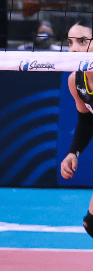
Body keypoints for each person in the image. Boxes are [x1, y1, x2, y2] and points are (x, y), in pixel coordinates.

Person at [59, 21, 93, 237]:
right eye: (70, 42)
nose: (74, 49)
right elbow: (87, 121)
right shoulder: (75, 80)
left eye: (82, 42)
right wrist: (73, 152)